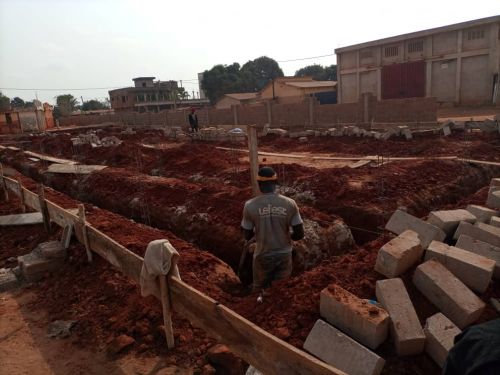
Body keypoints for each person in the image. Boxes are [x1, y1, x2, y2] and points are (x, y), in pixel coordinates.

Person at [241, 166, 304, 292]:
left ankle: (258, 306)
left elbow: (247, 235)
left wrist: (260, 233)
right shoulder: (290, 203)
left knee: (259, 289)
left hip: (263, 255)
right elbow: (299, 234)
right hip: (284, 255)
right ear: (275, 183)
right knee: (280, 291)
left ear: (259, 184)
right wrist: (286, 236)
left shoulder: (250, 206)